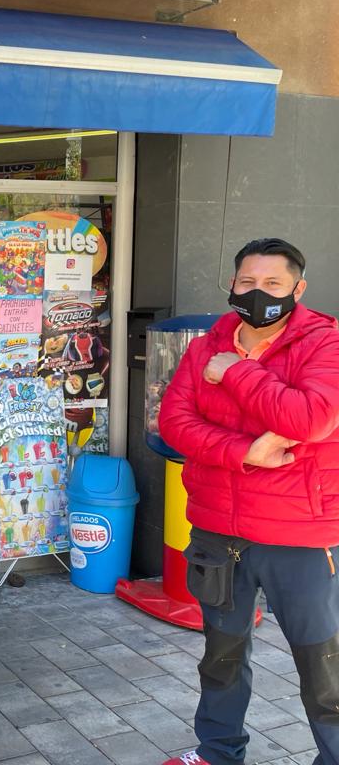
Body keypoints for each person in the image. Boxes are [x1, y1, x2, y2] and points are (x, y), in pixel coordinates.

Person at [158, 238, 339, 765]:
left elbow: (310, 418)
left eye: (272, 284)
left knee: (323, 668)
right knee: (221, 658)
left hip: (300, 534)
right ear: (232, 284)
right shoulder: (204, 345)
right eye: (246, 282)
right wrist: (245, 452)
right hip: (220, 530)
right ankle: (217, 753)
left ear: (298, 289)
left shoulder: (325, 344)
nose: (257, 293)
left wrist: (234, 372)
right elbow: (175, 423)